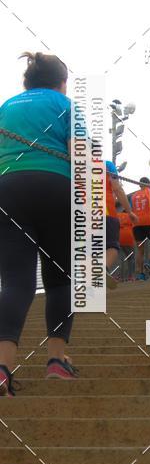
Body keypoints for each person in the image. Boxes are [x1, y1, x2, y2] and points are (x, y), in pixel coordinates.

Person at [0, 52, 77, 395]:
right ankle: (56, 362)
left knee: (16, 283)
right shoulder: (66, 104)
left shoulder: (7, 107)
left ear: (25, 83)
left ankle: (2, 368)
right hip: (56, 186)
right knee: (60, 281)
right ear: (62, 83)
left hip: (9, 189)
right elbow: (80, 155)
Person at [105, 160, 138, 289]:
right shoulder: (107, 165)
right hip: (105, 210)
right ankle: (103, 268)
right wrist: (129, 211)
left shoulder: (76, 165)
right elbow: (117, 189)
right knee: (112, 247)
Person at [130, 177, 150, 280]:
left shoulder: (133, 196)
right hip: (148, 222)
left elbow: (131, 211)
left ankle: (141, 275)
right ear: (148, 184)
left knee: (140, 251)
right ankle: (149, 262)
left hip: (136, 224)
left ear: (139, 185)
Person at [117, 205, 136, 282]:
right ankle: (130, 277)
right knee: (131, 258)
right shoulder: (131, 216)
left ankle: (119, 277)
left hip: (118, 237)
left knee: (120, 258)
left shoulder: (117, 215)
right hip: (128, 237)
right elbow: (134, 227)